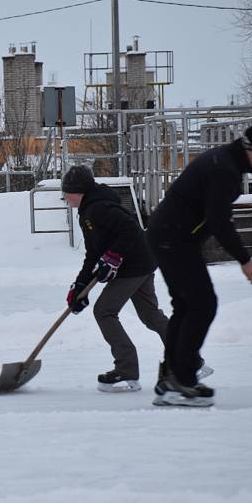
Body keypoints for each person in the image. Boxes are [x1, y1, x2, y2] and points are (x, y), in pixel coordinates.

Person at [146, 123, 252, 407]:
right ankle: (183, 380)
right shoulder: (224, 170)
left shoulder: (224, 161)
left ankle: (173, 377)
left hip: (171, 235)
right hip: (174, 237)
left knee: (186, 305)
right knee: (203, 304)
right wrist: (244, 259)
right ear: (249, 149)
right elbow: (219, 221)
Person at [62, 165, 174, 392]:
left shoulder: (98, 208)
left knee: (104, 311)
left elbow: (131, 230)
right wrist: (80, 285)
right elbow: (93, 253)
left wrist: (113, 256)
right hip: (142, 262)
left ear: (79, 190)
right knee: (150, 315)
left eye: (67, 192)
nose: (64, 197)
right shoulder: (89, 210)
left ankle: (126, 370)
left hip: (133, 266)